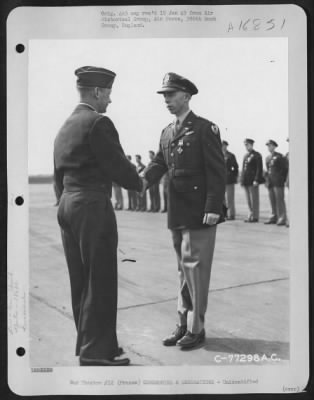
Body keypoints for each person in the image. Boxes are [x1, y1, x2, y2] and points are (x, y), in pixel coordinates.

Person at [53, 66, 142, 366]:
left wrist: (65, 202)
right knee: (100, 279)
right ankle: (95, 352)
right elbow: (120, 169)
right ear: (97, 92)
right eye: (108, 94)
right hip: (91, 205)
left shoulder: (66, 124)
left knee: (81, 279)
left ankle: (92, 345)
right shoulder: (98, 122)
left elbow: (57, 173)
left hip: (67, 204)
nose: (110, 101)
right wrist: (143, 178)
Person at [142, 72, 226, 349]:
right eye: (164, 95)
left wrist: (213, 207)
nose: (166, 100)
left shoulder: (204, 129)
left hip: (200, 212)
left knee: (196, 270)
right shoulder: (167, 131)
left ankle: (196, 328)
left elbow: (217, 171)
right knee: (182, 270)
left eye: (171, 94)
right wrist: (139, 182)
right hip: (177, 211)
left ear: (186, 96)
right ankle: (182, 323)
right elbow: (158, 163)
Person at [264, 140, 288, 226]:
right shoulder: (267, 158)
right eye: (268, 146)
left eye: (270, 146)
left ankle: (282, 218)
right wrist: (267, 180)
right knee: (272, 200)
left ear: (274, 146)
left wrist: (282, 179)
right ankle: (274, 216)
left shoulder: (280, 156)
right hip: (271, 182)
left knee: (279, 200)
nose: (269, 147)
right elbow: (268, 170)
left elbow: (284, 169)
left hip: (278, 182)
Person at [240, 139, 264, 222]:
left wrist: (257, 179)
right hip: (246, 181)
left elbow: (259, 169)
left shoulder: (257, 155)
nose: (246, 147)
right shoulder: (246, 156)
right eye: (245, 145)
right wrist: (242, 180)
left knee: (254, 199)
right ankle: (250, 214)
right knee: (248, 199)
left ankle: (255, 216)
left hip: (253, 181)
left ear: (251, 145)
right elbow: (243, 169)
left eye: (248, 145)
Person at [221, 140, 239, 220]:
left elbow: (236, 167)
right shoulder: (218, 155)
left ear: (226, 146)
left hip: (229, 179)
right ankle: (224, 214)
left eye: (224, 145)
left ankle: (231, 214)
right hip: (220, 179)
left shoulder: (231, 156)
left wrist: (233, 176)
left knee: (229, 198)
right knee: (222, 198)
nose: (223, 147)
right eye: (221, 145)